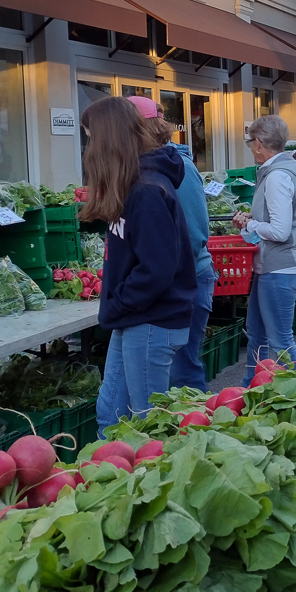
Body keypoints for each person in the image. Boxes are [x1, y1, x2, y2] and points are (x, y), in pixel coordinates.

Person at [80, 97, 196, 435]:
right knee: (110, 415)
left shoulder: (146, 192)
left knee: (148, 425)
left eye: (91, 138)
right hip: (135, 319)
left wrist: (117, 302)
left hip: (150, 323)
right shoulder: (134, 186)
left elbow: (157, 269)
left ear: (107, 140)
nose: (89, 148)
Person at [127, 96, 214, 390]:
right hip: (165, 286)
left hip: (187, 283)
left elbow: (195, 233)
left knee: (183, 375)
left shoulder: (179, 168)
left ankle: (199, 432)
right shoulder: (138, 171)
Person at [232, 115, 296, 379]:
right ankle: (249, 389)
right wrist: (252, 223)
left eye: (250, 144)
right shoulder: (280, 171)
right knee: (256, 334)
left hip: (281, 269)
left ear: (258, 143)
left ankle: (295, 396)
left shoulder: (277, 176)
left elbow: (279, 231)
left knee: (279, 341)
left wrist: (252, 225)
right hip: (272, 268)